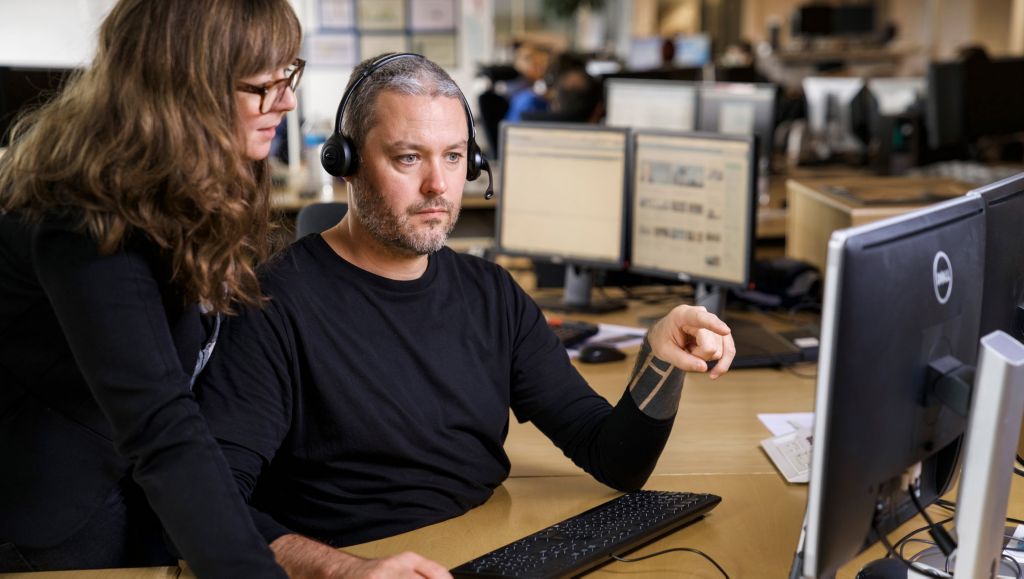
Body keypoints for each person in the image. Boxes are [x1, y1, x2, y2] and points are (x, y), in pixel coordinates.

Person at [195, 53, 736, 577]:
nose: (438, 186)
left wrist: (658, 360)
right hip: (358, 558)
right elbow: (207, 509)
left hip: (484, 544)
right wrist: (342, 571)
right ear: (347, 163)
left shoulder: (492, 294)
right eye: (409, 158)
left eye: (454, 157)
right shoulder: (269, 304)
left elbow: (614, 458)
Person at [0, 0, 302, 575]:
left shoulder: (185, 186)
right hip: (57, 511)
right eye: (263, 85)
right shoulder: (81, 216)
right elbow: (162, 427)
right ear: (186, 90)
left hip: (135, 486)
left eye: (289, 74)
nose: (286, 99)